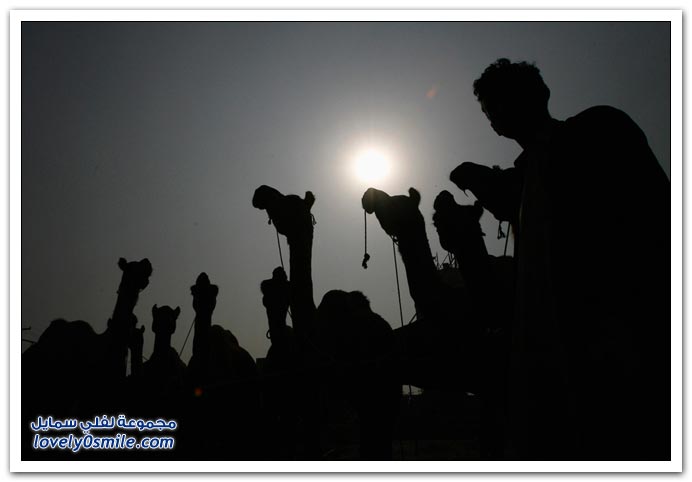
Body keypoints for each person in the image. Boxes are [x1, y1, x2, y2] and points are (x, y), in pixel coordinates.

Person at [451, 58, 670, 460]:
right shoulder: (525, 174)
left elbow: (659, 217)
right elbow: (504, 192)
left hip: (619, 334)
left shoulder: (598, 131)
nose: (493, 115)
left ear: (538, 96)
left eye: (499, 102)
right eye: (488, 108)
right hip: (550, 354)